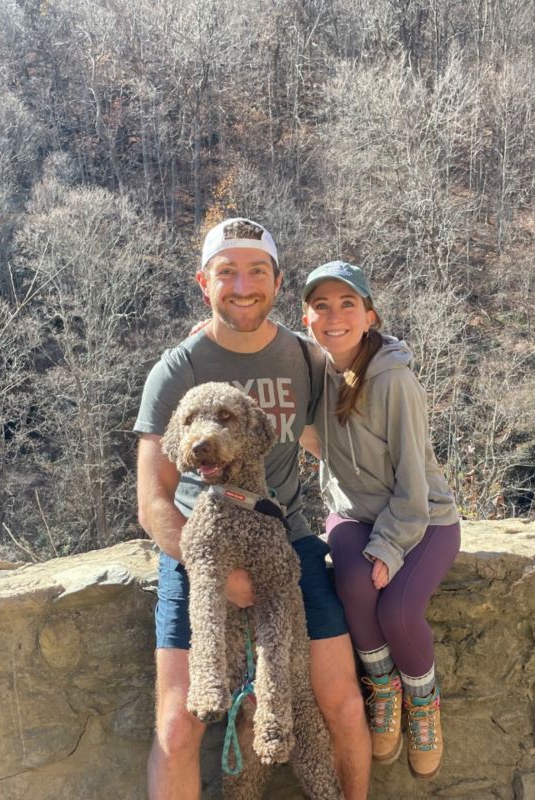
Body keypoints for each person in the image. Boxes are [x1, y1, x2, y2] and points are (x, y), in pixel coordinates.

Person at [134, 221, 370, 800]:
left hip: (287, 542)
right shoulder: (179, 368)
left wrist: (406, 512)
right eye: (227, 273)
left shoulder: (304, 358)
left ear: (277, 281)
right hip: (199, 551)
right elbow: (153, 501)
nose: (243, 286)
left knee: (341, 704)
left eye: (257, 271)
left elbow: (351, 417)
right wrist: (217, 573)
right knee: (178, 726)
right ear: (204, 283)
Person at [299, 261, 461, 781]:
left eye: (348, 304)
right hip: (352, 513)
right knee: (353, 584)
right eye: (321, 306)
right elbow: (260, 352)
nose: (335, 317)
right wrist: (215, 333)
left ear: (370, 316)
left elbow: (414, 484)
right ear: (306, 319)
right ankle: (384, 691)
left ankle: (423, 705)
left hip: (424, 518)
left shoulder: (394, 380)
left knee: (398, 611)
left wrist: (390, 545)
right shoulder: (310, 368)